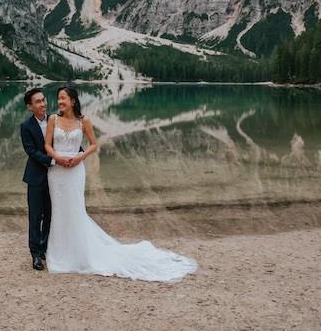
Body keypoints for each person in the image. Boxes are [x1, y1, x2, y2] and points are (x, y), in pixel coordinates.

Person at [43, 85, 198, 282]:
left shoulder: (84, 121)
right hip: (57, 171)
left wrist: (80, 157)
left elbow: (94, 144)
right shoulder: (53, 120)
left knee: (75, 210)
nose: (60, 102)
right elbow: (47, 145)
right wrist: (58, 157)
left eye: (63, 98)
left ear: (73, 101)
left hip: (75, 170)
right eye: (58, 99)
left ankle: (78, 253)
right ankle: (59, 253)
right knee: (58, 210)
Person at [19, 87, 63, 271]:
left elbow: (64, 139)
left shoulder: (55, 120)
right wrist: (53, 160)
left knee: (51, 214)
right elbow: (31, 151)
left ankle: (45, 247)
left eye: (44, 100)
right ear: (30, 107)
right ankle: (35, 254)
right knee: (35, 216)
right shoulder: (26, 126)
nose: (43, 104)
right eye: (38, 102)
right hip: (36, 177)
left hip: (55, 177)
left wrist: (77, 154)